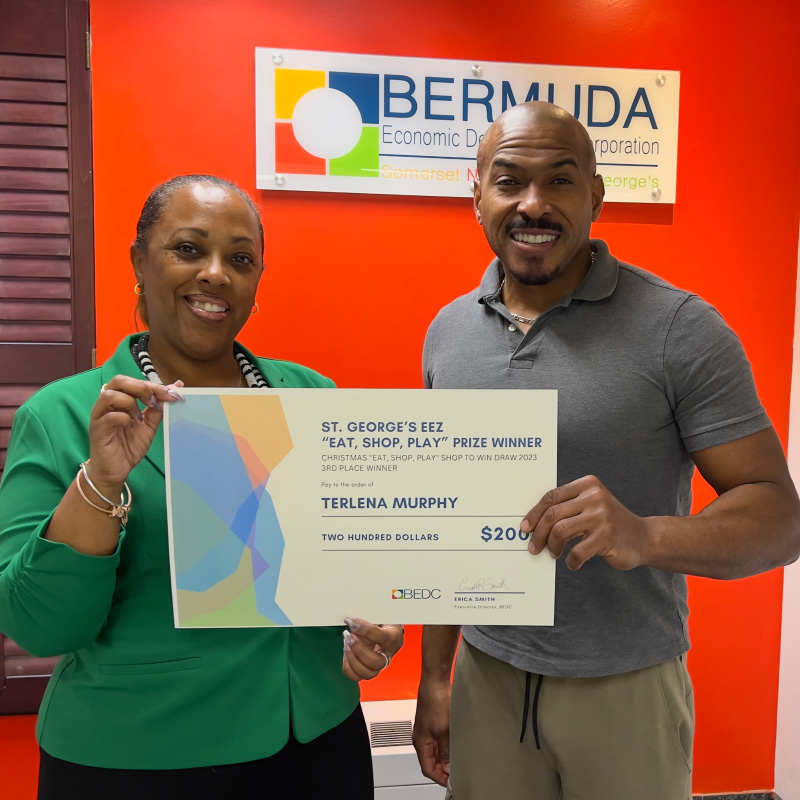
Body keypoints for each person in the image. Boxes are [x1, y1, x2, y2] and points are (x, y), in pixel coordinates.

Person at [412, 103, 800, 800]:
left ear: (595, 196)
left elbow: (780, 517)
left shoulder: (680, 329)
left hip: (625, 686)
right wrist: (436, 675)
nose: (533, 204)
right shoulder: (449, 332)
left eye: (560, 181)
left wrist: (645, 535)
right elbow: (450, 528)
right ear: (477, 196)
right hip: (487, 673)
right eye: (509, 181)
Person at [0, 175, 403, 799]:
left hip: (317, 746)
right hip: (136, 759)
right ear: (139, 262)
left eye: (240, 260)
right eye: (188, 249)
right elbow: (41, 628)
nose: (216, 274)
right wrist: (101, 481)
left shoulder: (312, 397)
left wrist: (369, 625)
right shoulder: (62, 416)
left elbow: (344, 566)